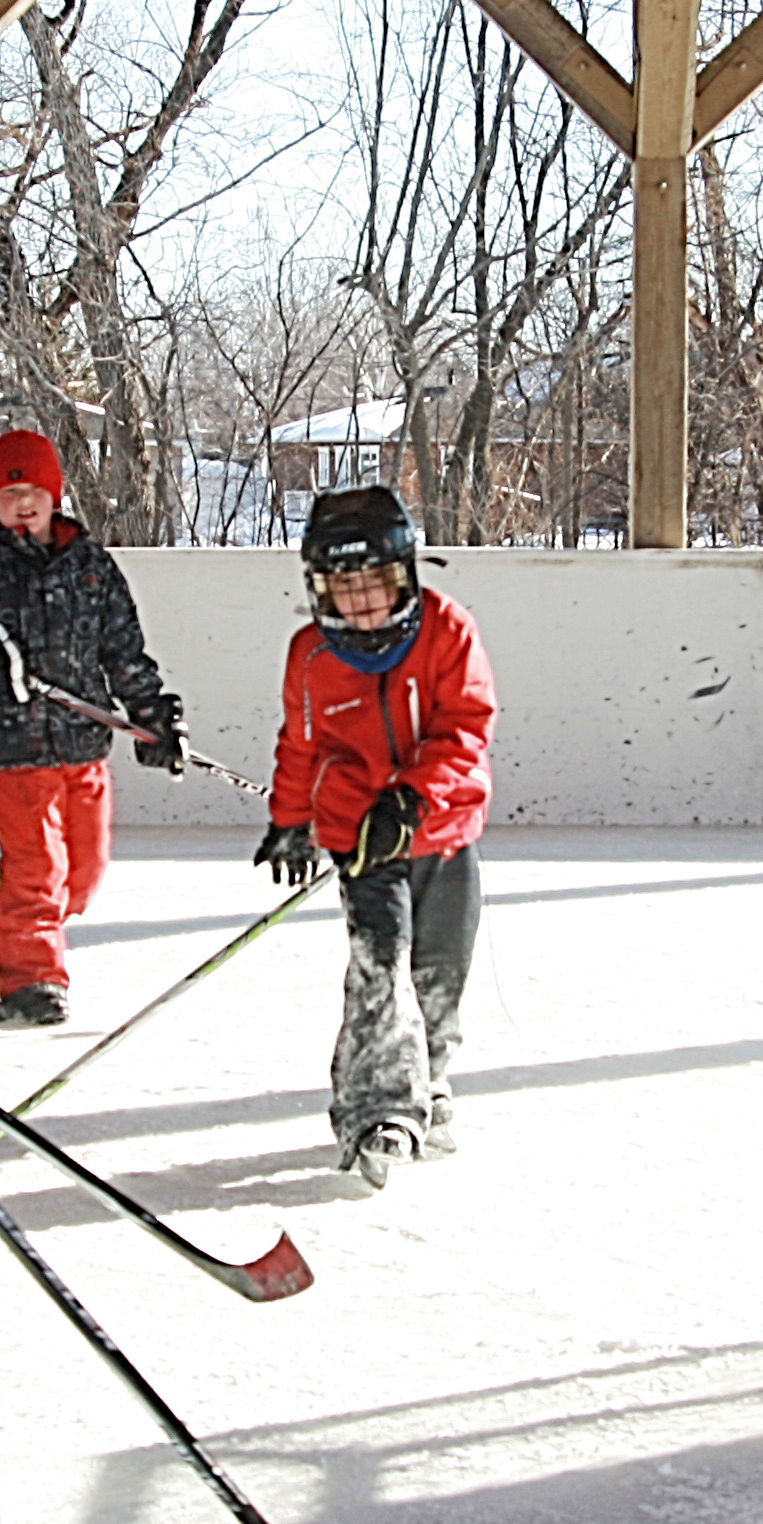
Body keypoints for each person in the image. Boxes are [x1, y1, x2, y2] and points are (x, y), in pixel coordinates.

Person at [257, 484, 494, 1189]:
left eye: (377, 583)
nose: (361, 602)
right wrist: (289, 822)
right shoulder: (311, 655)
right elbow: (301, 743)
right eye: (343, 586)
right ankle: (377, 1107)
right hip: (361, 839)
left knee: (440, 972)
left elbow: (466, 729)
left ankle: (430, 1079)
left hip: (442, 830)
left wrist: (414, 801)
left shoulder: (447, 631)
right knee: (380, 969)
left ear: (407, 576)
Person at [0, 425, 184, 1030]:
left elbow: (123, 649)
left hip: (82, 743)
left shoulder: (91, 566)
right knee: (37, 871)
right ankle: (32, 982)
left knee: (82, 875)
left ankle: (3, 924)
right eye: (8, 493)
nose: (23, 502)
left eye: (33, 489)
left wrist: (150, 715)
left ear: (53, 494)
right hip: (14, 747)